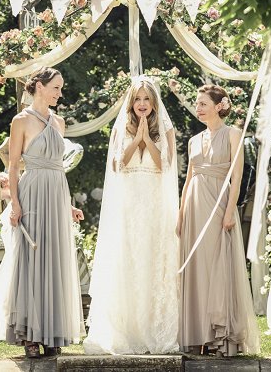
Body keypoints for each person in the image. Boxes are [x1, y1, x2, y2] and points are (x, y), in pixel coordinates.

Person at [83, 76, 179, 354]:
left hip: (154, 203)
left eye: (146, 99)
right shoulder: (121, 128)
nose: (142, 104)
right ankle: (126, 331)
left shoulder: (166, 129)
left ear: (154, 102)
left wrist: (147, 139)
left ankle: (152, 328)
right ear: (131, 102)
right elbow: (117, 165)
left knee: (151, 261)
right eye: (137, 98)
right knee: (128, 261)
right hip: (129, 204)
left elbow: (165, 166)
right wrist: (135, 138)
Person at [0, 67, 86, 358]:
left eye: (61, 88)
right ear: (39, 87)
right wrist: (16, 204)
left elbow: (59, 168)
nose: (60, 93)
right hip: (32, 194)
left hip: (57, 194)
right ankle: (29, 335)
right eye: (56, 87)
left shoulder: (59, 122)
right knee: (31, 261)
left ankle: (52, 331)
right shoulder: (20, 121)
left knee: (54, 263)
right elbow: (13, 166)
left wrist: (67, 204)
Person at [177, 84, 260, 356]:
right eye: (197, 103)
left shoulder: (234, 134)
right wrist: (180, 215)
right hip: (193, 209)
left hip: (219, 206)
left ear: (219, 105)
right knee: (197, 271)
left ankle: (220, 336)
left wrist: (229, 211)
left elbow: (237, 177)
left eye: (203, 103)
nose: (198, 108)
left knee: (217, 267)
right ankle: (198, 334)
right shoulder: (193, 140)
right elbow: (188, 180)